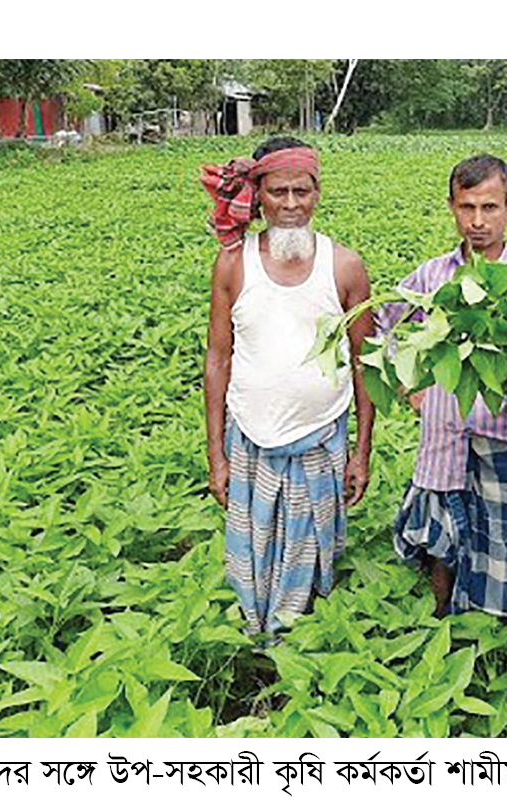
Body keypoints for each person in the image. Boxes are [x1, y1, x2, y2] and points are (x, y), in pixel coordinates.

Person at [201, 136, 374, 637]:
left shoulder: (344, 265)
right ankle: (261, 638)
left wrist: (363, 452)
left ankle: (301, 647)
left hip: (321, 437)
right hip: (250, 438)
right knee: (253, 551)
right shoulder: (234, 264)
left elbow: (365, 363)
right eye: (279, 193)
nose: (292, 206)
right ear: (259, 196)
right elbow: (218, 357)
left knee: (313, 550)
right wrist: (216, 454)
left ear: (318, 193)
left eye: (303, 191)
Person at [376, 154, 507, 619]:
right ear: (451, 206)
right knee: (443, 538)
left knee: (506, 539)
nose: (477, 221)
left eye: (489, 208)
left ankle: (498, 634)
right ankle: (441, 618)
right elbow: (385, 328)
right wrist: (412, 392)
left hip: (502, 432)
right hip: (443, 430)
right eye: (466, 208)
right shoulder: (432, 277)